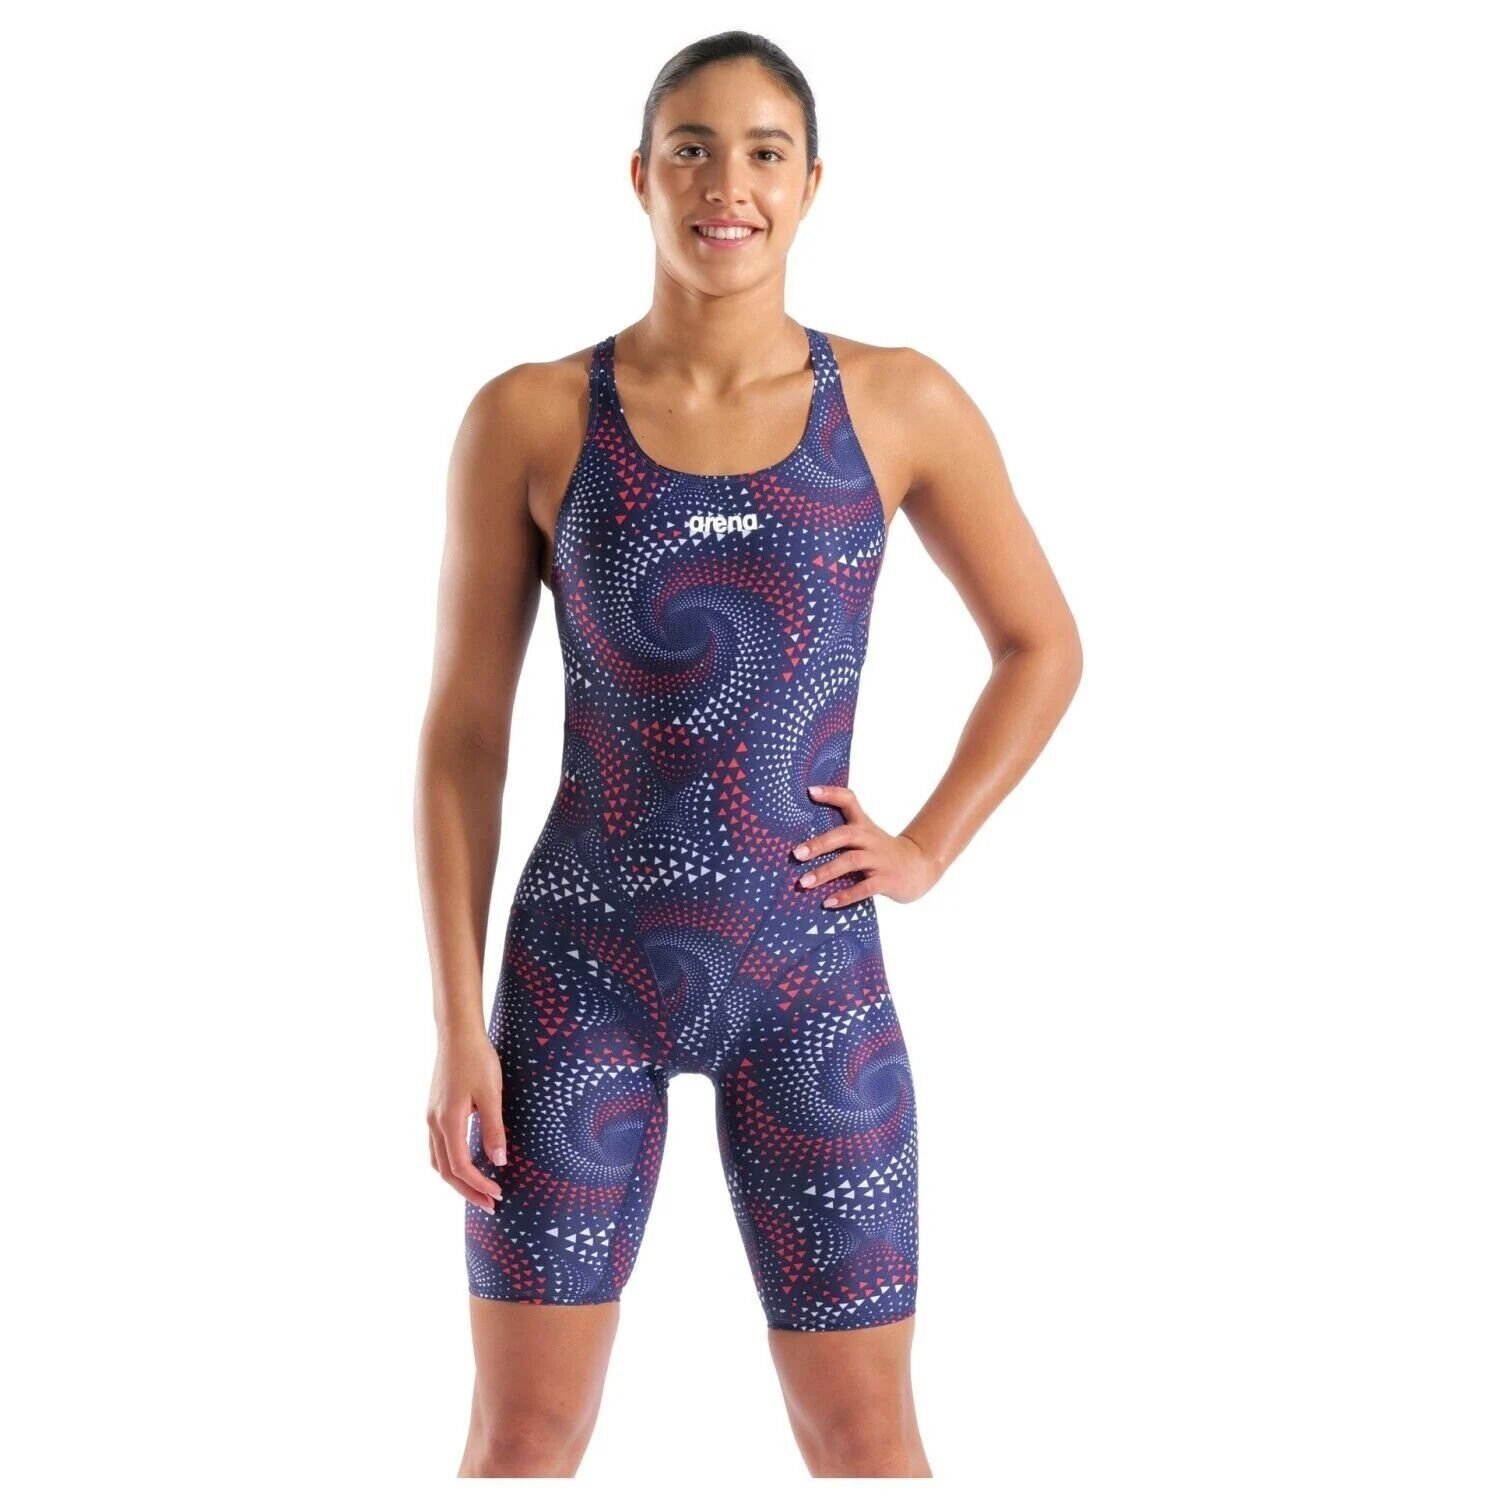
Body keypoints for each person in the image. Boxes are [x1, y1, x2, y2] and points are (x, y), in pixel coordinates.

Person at [414, 30, 1083, 1480]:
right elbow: (463, 735)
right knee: (523, 1436)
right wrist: (458, 1019)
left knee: (863, 1434)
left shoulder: (897, 404)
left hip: (810, 981)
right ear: (641, 177)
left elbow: (1042, 645)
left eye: (765, 153)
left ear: (812, 183)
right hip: (579, 977)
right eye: (695, 151)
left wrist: (929, 845)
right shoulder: (532, 415)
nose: (730, 185)